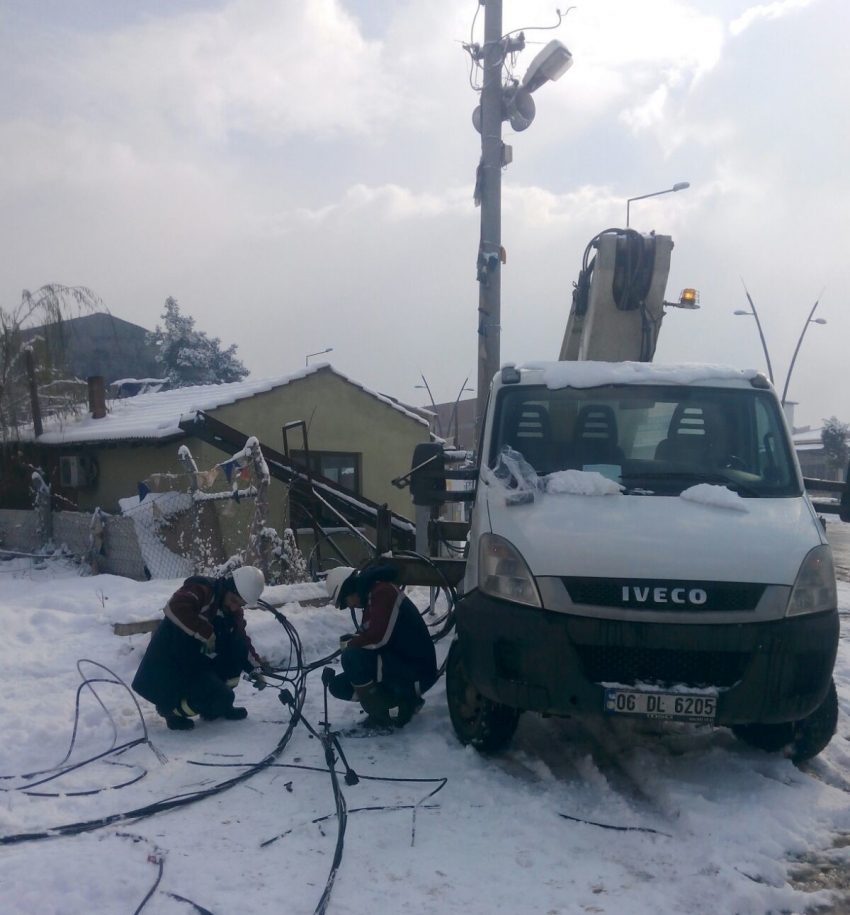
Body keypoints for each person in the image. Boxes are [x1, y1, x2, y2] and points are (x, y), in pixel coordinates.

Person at [132, 565, 267, 731]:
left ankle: (216, 706)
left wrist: (256, 669)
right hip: (174, 665)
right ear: (228, 586)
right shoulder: (201, 590)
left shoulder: (232, 611)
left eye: (240, 605)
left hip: (198, 663)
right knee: (223, 695)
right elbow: (176, 607)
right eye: (233, 600)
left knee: (234, 652)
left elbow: (241, 639)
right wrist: (205, 631)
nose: (234, 608)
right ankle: (172, 711)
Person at [322, 565, 438, 729]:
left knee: (351, 657)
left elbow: (378, 638)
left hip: (417, 672)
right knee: (338, 686)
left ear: (348, 588)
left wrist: (351, 645)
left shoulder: (383, 592)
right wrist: (354, 640)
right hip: (400, 667)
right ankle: (405, 701)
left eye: (344, 602)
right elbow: (372, 634)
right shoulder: (371, 599)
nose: (348, 607)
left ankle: (379, 717)